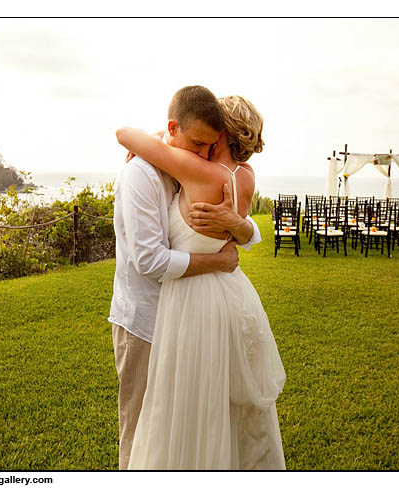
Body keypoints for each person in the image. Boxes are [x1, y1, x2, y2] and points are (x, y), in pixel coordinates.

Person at [116, 94, 286, 469]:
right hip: (231, 297)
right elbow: (241, 234)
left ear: (219, 134)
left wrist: (160, 134)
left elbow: (124, 133)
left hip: (191, 301)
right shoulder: (246, 177)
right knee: (222, 404)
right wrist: (240, 232)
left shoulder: (195, 170)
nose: (202, 146)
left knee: (181, 404)